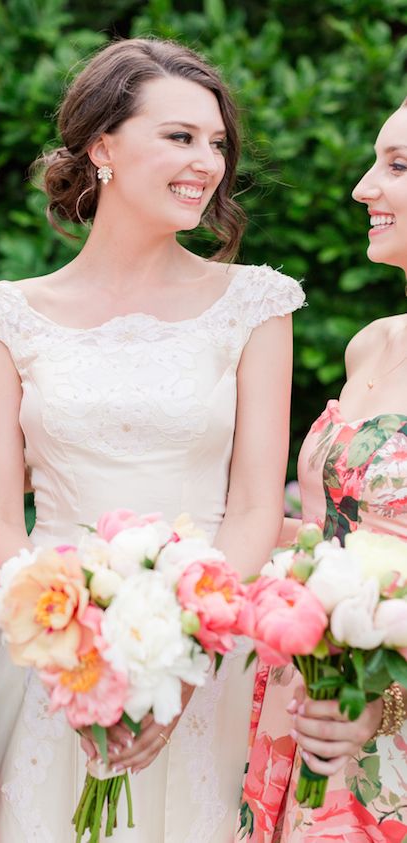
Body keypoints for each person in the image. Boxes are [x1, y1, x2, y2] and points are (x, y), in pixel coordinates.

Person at [0, 37, 304, 842]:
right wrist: (80, 657)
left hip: (209, 657)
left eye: (216, 142)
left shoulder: (256, 305)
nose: (207, 162)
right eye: (180, 136)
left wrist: (182, 654)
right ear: (103, 146)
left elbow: (254, 505)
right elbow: (0, 520)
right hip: (51, 655)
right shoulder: (5, 318)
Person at [237, 101, 407, 842]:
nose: (363, 188)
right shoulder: (372, 345)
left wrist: (385, 700)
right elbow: (323, 529)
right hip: (304, 702)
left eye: (398, 166)